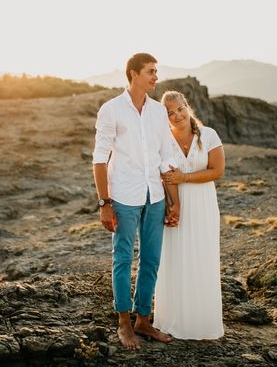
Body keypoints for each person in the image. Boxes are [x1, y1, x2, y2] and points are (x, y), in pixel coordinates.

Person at [92, 53, 181, 350]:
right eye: (150, 71)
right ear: (133, 74)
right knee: (122, 259)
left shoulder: (158, 112)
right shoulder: (111, 110)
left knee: (152, 259)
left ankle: (143, 320)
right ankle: (124, 324)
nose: (155, 77)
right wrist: (104, 202)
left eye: (156, 71)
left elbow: (166, 156)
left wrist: (173, 200)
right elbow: (99, 159)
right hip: (124, 197)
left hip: (154, 195)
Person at [153, 90, 226, 340]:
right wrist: (173, 204)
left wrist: (185, 177)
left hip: (203, 204)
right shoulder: (163, 140)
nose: (177, 116)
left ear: (188, 106)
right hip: (174, 205)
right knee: (174, 259)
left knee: (201, 257)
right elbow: (163, 175)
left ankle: (202, 322)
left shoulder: (208, 135)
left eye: (180, 109)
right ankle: (174, 320)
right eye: (170, 113)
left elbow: (217, 171)